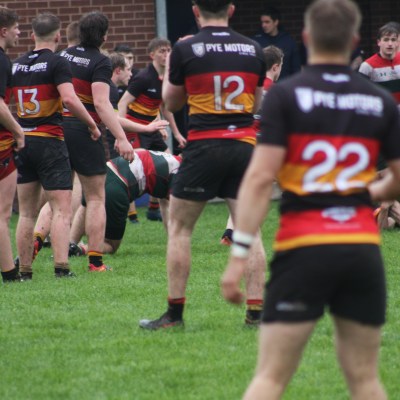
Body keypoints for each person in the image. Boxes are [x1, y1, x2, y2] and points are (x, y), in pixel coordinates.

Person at [221, 0, 400, 398]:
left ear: (306, 38)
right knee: (365, 379)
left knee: (271, 377)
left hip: (304, 248)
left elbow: (259, 180)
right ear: (354, 41)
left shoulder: (285, 96)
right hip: (360, 250)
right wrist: (368, 191)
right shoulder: (379, 101)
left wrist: (238, 257)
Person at [139, 0, 267, 330]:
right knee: (250, 231)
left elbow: (171, 102)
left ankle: (174, 315)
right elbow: (256, 103)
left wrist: (174, 65)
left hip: (204, 146)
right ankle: (256, 315)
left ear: (196, 11)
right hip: (244, 146)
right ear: (232, 9)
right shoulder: (253, 49)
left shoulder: (186, 49)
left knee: (180, 230)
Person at [12, 13, 102, 280]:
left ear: (32, 35)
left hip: (24, 141)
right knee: (61, 208)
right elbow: (70, 99)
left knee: (26, 212)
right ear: (59, 36)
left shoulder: (17, 64)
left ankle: (25, 270)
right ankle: (61, 267)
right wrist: (91, 124)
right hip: (50, 141)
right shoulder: (57, 61)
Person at [59, 11, 134, 272]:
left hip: (57, 129)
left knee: (58, 198)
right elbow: (101, 104)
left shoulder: (63, 55)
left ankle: (39, 254)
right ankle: (95, 262)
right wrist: (122, 138)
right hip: (84, 131)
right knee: (95, 198)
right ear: (104, 36)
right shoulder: (100, 61)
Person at [220, 45, 284, 247]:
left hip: (241, 141)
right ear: (276, 67)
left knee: (245, 190)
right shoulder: (275, 90)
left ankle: (230, 232)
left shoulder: (248, 85)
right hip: (264, 144)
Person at [118, 37, 186, 223]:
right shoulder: (143, 77)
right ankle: (124, 212)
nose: (166, 55)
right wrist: (121, 134)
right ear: (152, 55)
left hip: (152, 130)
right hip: (136, 130)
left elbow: (165, 108)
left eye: (168, 51)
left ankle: (156, 210)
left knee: (170, 168)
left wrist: (177, 133)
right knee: (134, 172)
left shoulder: (167, 78)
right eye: (162, 51)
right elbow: (123, 103)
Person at [68, 149, 181, 256]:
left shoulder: (170, 160)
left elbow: (165, 205)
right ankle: (81, 250)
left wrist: (172, 240)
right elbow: (173, 211)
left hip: (103, 172)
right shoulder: (180, 173)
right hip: (118, 187)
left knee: (87, 205)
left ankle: (70, 245)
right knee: (111, 245)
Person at [0, 6, 24, 283]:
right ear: (4, 31)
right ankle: (9, 273)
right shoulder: (2, 60)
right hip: (2, 145)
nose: (20, 32)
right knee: (3, 214)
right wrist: (18, 132)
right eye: (16, 28)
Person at [252, 6, 301, 80]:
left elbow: (296, 68)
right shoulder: (257, 41)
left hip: (285, 83)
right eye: (262, 22)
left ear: (276, 22)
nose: (263, 25)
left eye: (267, 22)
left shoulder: (288, 41)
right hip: (264, 84)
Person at [359, 22, 400, 103]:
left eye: (393, 40)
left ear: (397, 43)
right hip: (381, 109)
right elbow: (361, 94)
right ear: (379, 42)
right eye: (386, 39)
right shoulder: (367, 66)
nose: (390, 44)